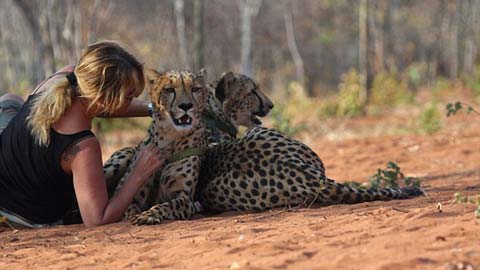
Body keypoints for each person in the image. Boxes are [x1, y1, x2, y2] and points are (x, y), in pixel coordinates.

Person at [0, 41, 167, 228]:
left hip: (6, 171)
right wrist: (138, 173)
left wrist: (153, 109)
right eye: (128, 97)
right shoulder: (82, 146)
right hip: (20, 213)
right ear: (105, 99)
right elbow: (97, 219)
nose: (131, 101)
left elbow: (100, 105)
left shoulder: (65, 78)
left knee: (10, 100)